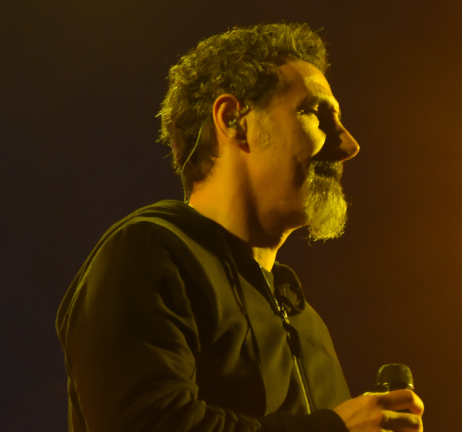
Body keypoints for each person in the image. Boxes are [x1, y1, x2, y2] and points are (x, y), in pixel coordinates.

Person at [56, 23, 424, 432]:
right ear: (234, 120)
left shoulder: (309, 323)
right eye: (316, 113)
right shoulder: (146, 254)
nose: (349, 146)